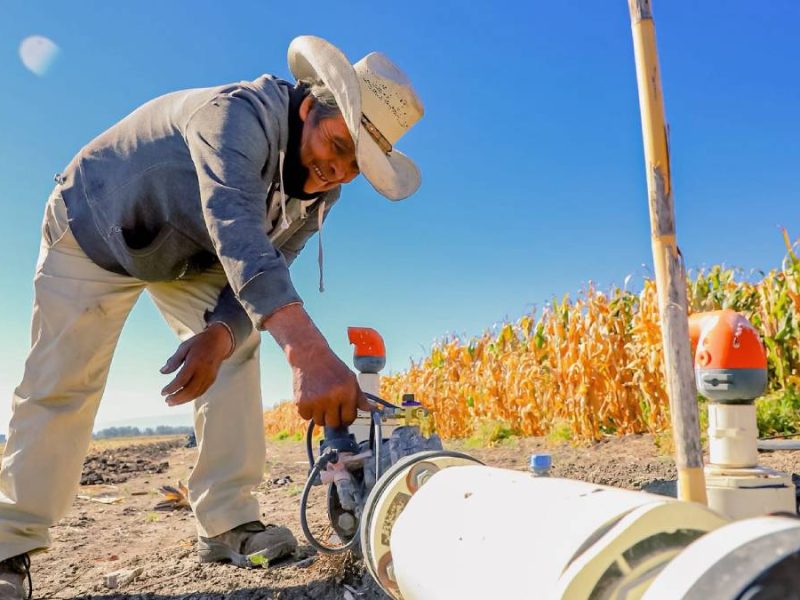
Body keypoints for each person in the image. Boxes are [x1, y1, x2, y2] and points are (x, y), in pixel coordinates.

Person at [0, 35, 424, 599]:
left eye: (356, 166)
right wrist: (308, 351)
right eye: (338, 145)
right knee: (63, 380)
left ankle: (228, 522)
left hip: (195, 254)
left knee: (237, 346)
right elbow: (238, 230)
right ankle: (8, 542)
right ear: (308, 108)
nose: (337, 171)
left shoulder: (321, 195)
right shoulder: (234, 116)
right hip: (96, 229)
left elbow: (273, 263)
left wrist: (220, 334)